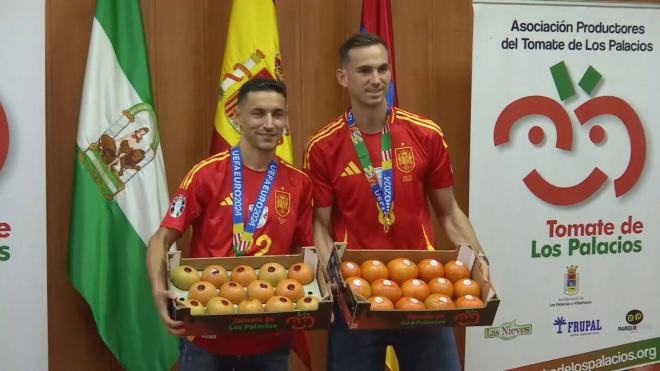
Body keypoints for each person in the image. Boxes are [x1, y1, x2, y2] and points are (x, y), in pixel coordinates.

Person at [303, 32, 489, 371]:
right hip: (356, 292)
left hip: (423, 288)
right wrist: (335, 279)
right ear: (343, 77)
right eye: (364, 71)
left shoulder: (425, 134)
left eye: (383, 69)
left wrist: (479, 259)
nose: (376, 80)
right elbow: (320, 225)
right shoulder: (323, 147)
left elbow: (449, 212)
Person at [147, 77, 313, 371]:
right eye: (258, 113)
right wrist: (159, 289)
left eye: (278, 114)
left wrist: (324, 292)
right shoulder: (206, 174)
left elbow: (307, 253)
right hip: (207, 340)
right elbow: (161, 239)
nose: (269, 123)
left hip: (270, 341)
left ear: (286, 120)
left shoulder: (299, 183)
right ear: (237, 117)